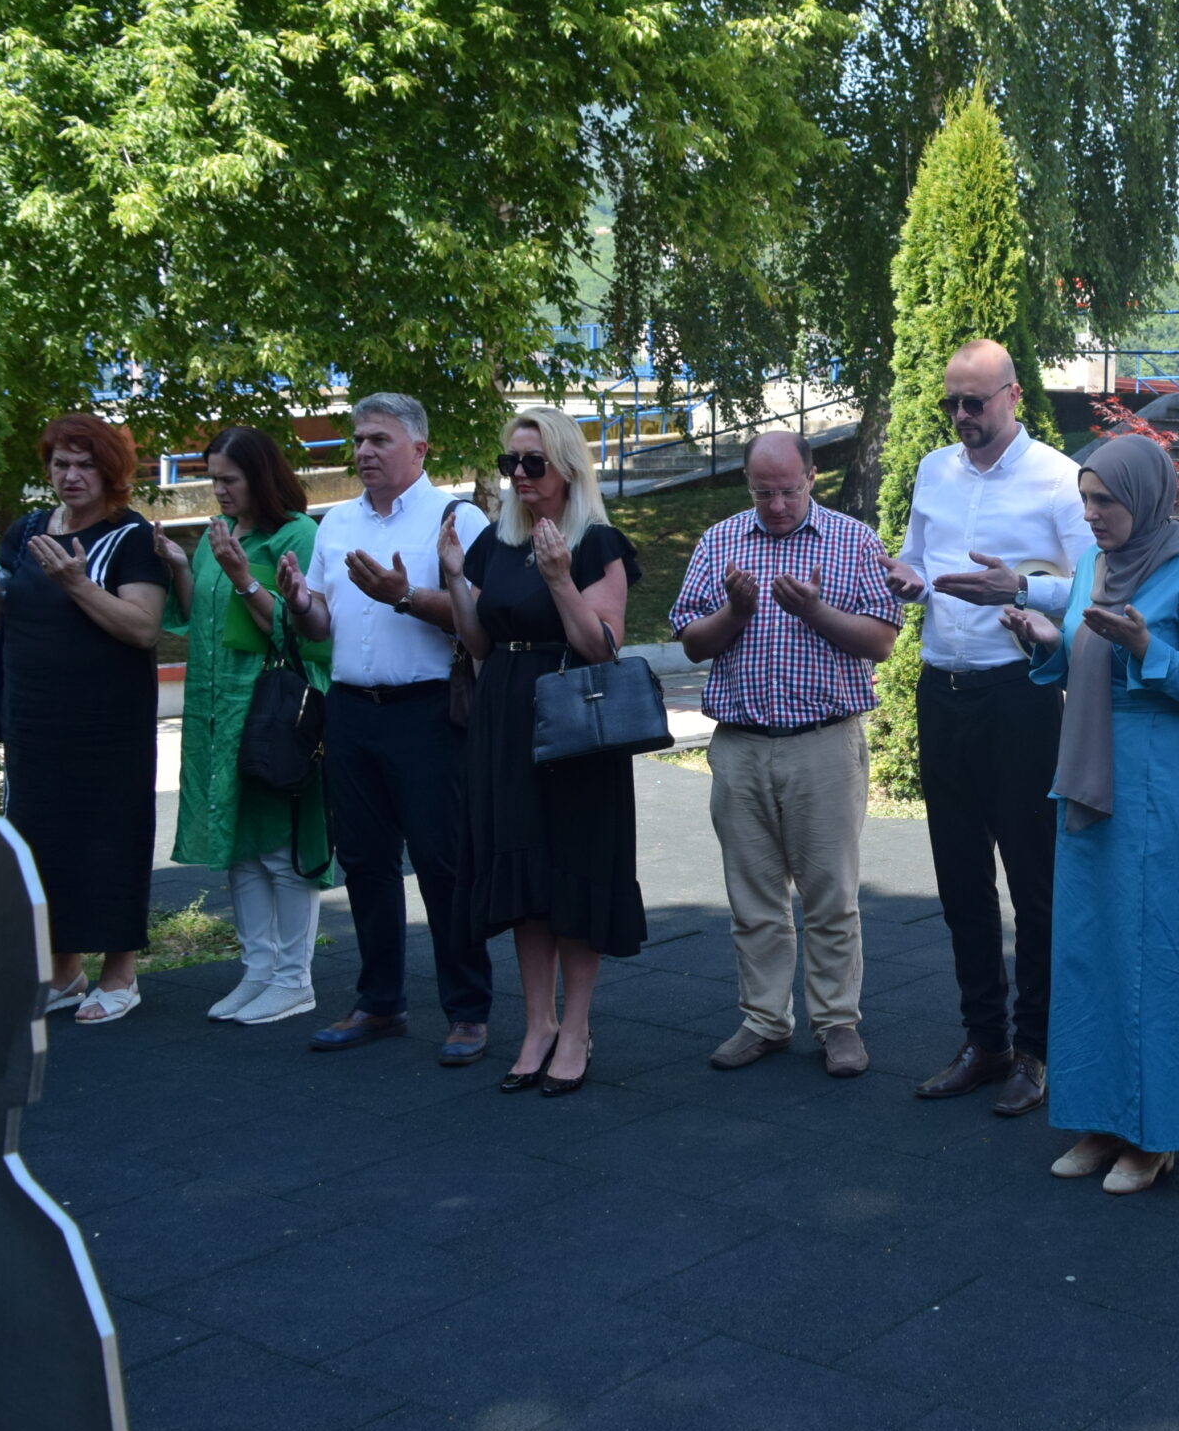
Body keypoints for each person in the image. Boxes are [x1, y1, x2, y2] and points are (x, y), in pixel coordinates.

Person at [999, 435, 1179, 1192]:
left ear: (1145, 496)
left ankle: (1157, 1132)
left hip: (1160, 779)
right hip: (1088, 775)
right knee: (1091, 948)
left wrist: (1146, 649)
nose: (1092, 513)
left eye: (1105, 500)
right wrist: (1045, 643)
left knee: (1160, 951)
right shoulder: (1093, 568)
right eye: (1085, 499)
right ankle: (1102, 1118)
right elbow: (1081, 660)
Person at [881, 339, 1092, 1115]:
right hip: (943, 688)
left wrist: (1023, 588)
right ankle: (984, 1039)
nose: (962, 415)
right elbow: (915, 559)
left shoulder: (1058, 478)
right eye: (952, 402)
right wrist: (905, 580)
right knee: (960, 878)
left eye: (975, 401)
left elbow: (1096, 584)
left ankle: (1036, 1048)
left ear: (1014, 396)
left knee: (1034, 883)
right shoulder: (935, 470)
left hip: (1020, 693)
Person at [277, 393, 495, 1064]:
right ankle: (379, 1002)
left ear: (420, 449)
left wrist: (403, 596)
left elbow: (482, 620)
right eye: (358, 440)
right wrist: (299, 603)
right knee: (365, 862)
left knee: (442, 862)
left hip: (427, 712)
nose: (364, 451)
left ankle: (468, 1010)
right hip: (349, 710)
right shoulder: (336, 522)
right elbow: (321, 627)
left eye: (379, 439)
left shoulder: (458, 519)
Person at [675, 431, 900, 1079]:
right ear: (748, 484)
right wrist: (735, 613)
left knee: (831, 897)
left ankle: (837, 1023)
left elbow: (881, 641)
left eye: (788, 491)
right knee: (753, 899)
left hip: (824, 743)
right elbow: (692, 642)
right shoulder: (719, 541)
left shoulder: (853, 541)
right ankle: (765, 1020)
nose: (775, 505)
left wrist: (815, 611)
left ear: (812, 477)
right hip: (740, 746)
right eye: (762, 493)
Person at [441, 407, 642, 1096]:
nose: (519, 475)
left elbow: (601, 647)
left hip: (574, 717)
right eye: (510, 463)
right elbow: (478, 642)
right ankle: (537, 1025)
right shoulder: (496, 541)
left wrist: (559, 578)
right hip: (505, 716)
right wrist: (452, 578)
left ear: (567, 468)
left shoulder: (597, 543)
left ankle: (576, 1028)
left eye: (533, 462)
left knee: (573, 871)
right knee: (523, 875)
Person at [0, 413, 168, 1025]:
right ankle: (64, 971)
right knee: (40, 840)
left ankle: (120, 973)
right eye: (61, 464)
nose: (72, 475)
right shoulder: (29, 529)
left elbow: (143, 628)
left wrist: (78, 585)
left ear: (111, 473)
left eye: (86, 465)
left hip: (107, 723)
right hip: (33, 717)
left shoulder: (130, 536)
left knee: (110, 838)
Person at [155, 427, 333, 1027]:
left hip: (271, 711)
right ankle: (258, 971)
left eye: (229, 479)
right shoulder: (219, 534)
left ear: (260, 476)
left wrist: (243, 577)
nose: (219, 490)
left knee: (281, 846)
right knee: (240, 849)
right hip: (217, 713)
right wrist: (182, 566)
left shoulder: (298, 534)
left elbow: (302, 628)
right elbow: (197, 617)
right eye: (213, 479)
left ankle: (294, 979)